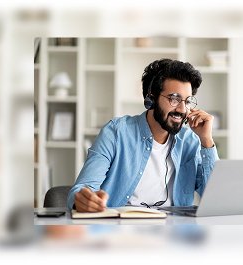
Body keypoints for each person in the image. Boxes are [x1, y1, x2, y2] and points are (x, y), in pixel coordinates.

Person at [67, 58, 219, 212]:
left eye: (187, 101)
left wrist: (206, 141)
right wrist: (83, 200)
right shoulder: (116, 132)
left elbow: (216, 198)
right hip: (121, 229)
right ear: (151, 98)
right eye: (174, 99)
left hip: (174, 230)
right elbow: (82, 189)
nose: (182, 109)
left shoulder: (190, 141)